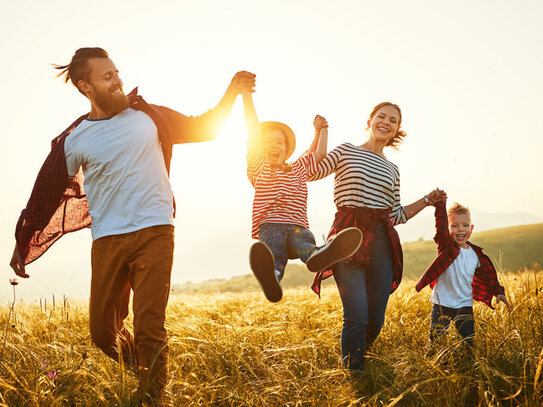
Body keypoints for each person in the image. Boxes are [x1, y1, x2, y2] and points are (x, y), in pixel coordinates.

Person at [9, 47, 255, 404]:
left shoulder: (148, 116)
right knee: (102, 333)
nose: (118, 79)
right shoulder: (76, 138)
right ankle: (147, 369)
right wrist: (23, 239)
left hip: (155, 230)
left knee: (149, 326)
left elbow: (205, 127)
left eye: (117, 72)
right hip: (107, 239)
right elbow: (47, 192)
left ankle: (152, 395)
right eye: (107, 76)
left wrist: (231, 90)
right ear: (85, 86)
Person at [309, 102, 443, 371]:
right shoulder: (346, 151)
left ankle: (357, 358)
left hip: (382, 240)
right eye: (381, 116)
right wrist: (319, 133)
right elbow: (313, 171)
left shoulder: (393, 170)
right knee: (356, 315)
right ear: (369, 121)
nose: (386, 122)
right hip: (348, 237)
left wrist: (427, 200)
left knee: (375, 319)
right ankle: (355, 377)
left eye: (393, 120)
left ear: (396, 130)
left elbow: (396, 215)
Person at [242, 89, 362, 302]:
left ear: (287, 149)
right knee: (274, 254)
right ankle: (273, 278)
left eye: (279, 142)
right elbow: (251, 129)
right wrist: (246, 96)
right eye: (267, 142)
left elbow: (319, 154)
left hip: (298, 226)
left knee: (306, 244)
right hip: (270, 225)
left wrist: (322, 130)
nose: (274, 145)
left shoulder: (298, 168)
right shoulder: (259, 167)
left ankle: (318, 256)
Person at [415, 198, 512, 347]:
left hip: (464, 304)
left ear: (471, 228)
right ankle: (430, 360)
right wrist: (440, 205)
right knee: (436, 339)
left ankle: (469, 365)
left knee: (468, 341)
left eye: (465, 225)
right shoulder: (446, 248)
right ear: (448, 230)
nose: (461, 229)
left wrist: (498, 291)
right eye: (454, 226)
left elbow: (489, 276)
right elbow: (440, 226)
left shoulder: (475, 254)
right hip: (442, 303)